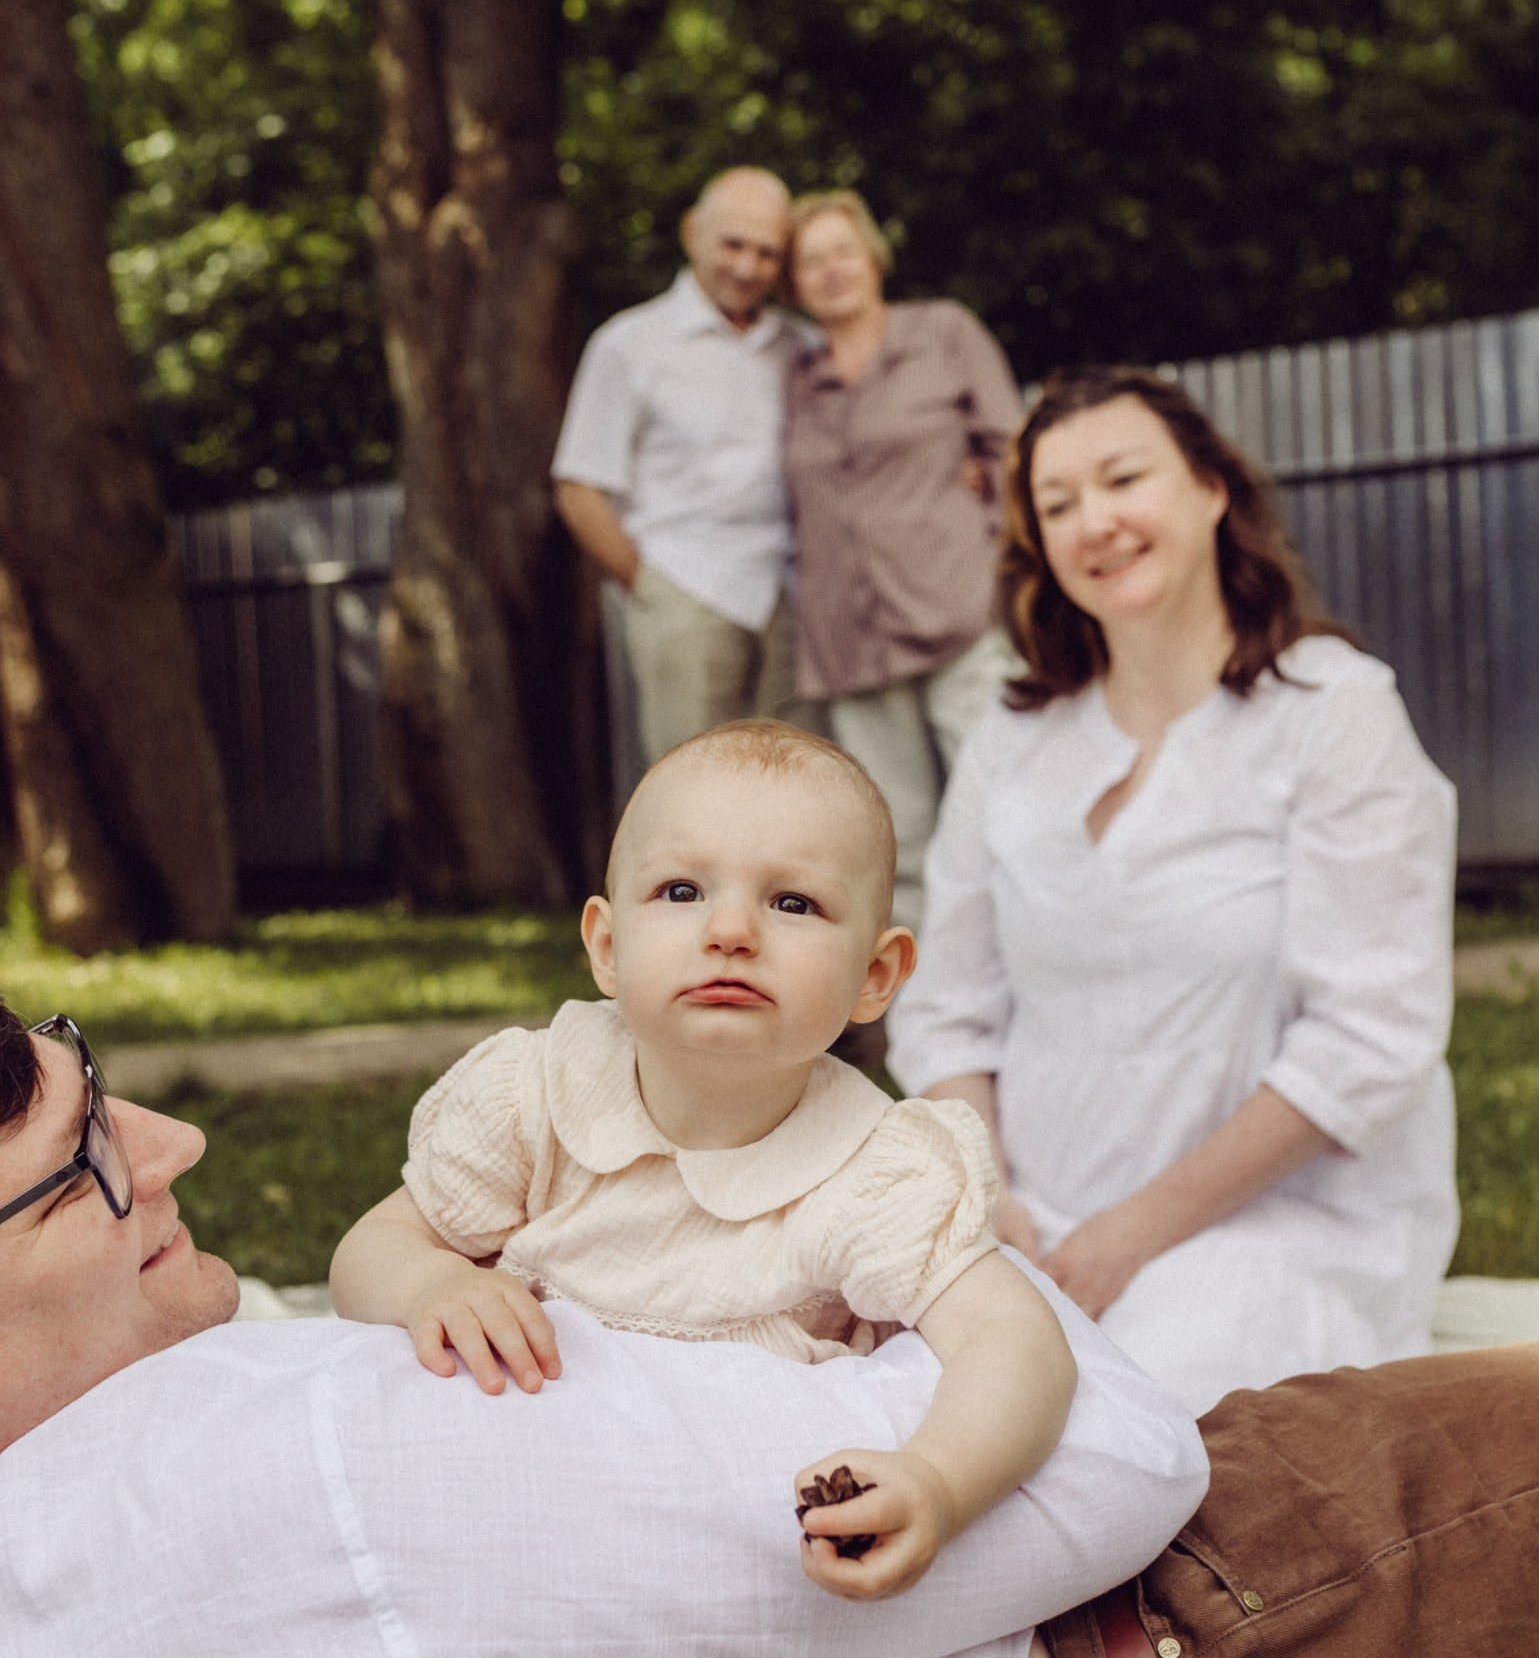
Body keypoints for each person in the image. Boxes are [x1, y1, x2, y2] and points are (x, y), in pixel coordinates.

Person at [0, 960, 1539, 1657]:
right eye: (78, 1158)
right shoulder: (325, 1456)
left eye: (116, 1087)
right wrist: (956, 1283)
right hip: (1219, 1573)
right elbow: (1107, 1463)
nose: (169, 1149)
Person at [327, 720, 1077, 1599]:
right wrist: (427, 1285)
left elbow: (1016, 1339)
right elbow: (367, 1248)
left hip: (728, 1552)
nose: (729, 929)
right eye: (681, 889)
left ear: (876, 976)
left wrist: (941, 1479)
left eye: (792, 903)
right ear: (607, 946)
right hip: (523, 1517)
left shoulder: (875, 1172)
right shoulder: (537, 1097)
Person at [890, 366, 1459, 1416]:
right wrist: (990, 1200)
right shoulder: (1012, 740)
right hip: (1027, 1221)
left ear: (1210, 491)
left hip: (1267, 1233)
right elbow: (947, 1013)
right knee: (893, 1410)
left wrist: (1132, 1235)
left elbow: (1368, 1042)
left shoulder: (1333, 712)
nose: (1093, 522)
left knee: (1112, 1421)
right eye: (1056, 506)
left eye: (1121, 479)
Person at [783, 189, 1025, 927]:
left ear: (874, 258)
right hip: (850, 635)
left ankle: (1036, 1009)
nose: (830, 271)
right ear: (794, 284)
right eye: (810, 261)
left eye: (842, 252)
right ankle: (920, 1028)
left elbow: (1012, 453)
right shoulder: (796, 376)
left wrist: (996, 552)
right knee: (896, 841)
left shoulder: (944, 332)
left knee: (1007, 810)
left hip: (956, 609)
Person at [552, 167, 812, 764]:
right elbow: (578, 488)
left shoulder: (799, 346)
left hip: (791, 596)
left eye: (768, 253)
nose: (748, 268)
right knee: (693, 784)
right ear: (693, 232)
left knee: (792, 786)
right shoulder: (630, 343)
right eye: (733, 245)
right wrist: (651, 586)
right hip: (687, 588)